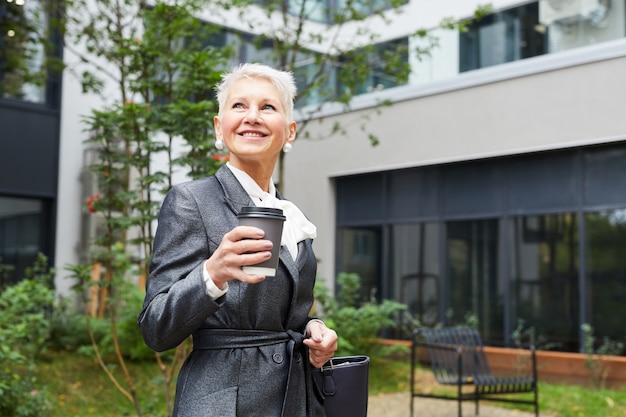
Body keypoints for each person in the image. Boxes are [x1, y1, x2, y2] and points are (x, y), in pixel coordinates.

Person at [138, 62, 338, 417]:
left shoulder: (292, 216)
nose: (253, 116)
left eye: (268, 107)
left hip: (294, 400)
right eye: (239, 106)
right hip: (223, 404)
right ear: (220, 125)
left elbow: (286, 315)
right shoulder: (192, 201)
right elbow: (155, 328)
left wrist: (314, 329)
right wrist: (211, 274)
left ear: (289, 132)